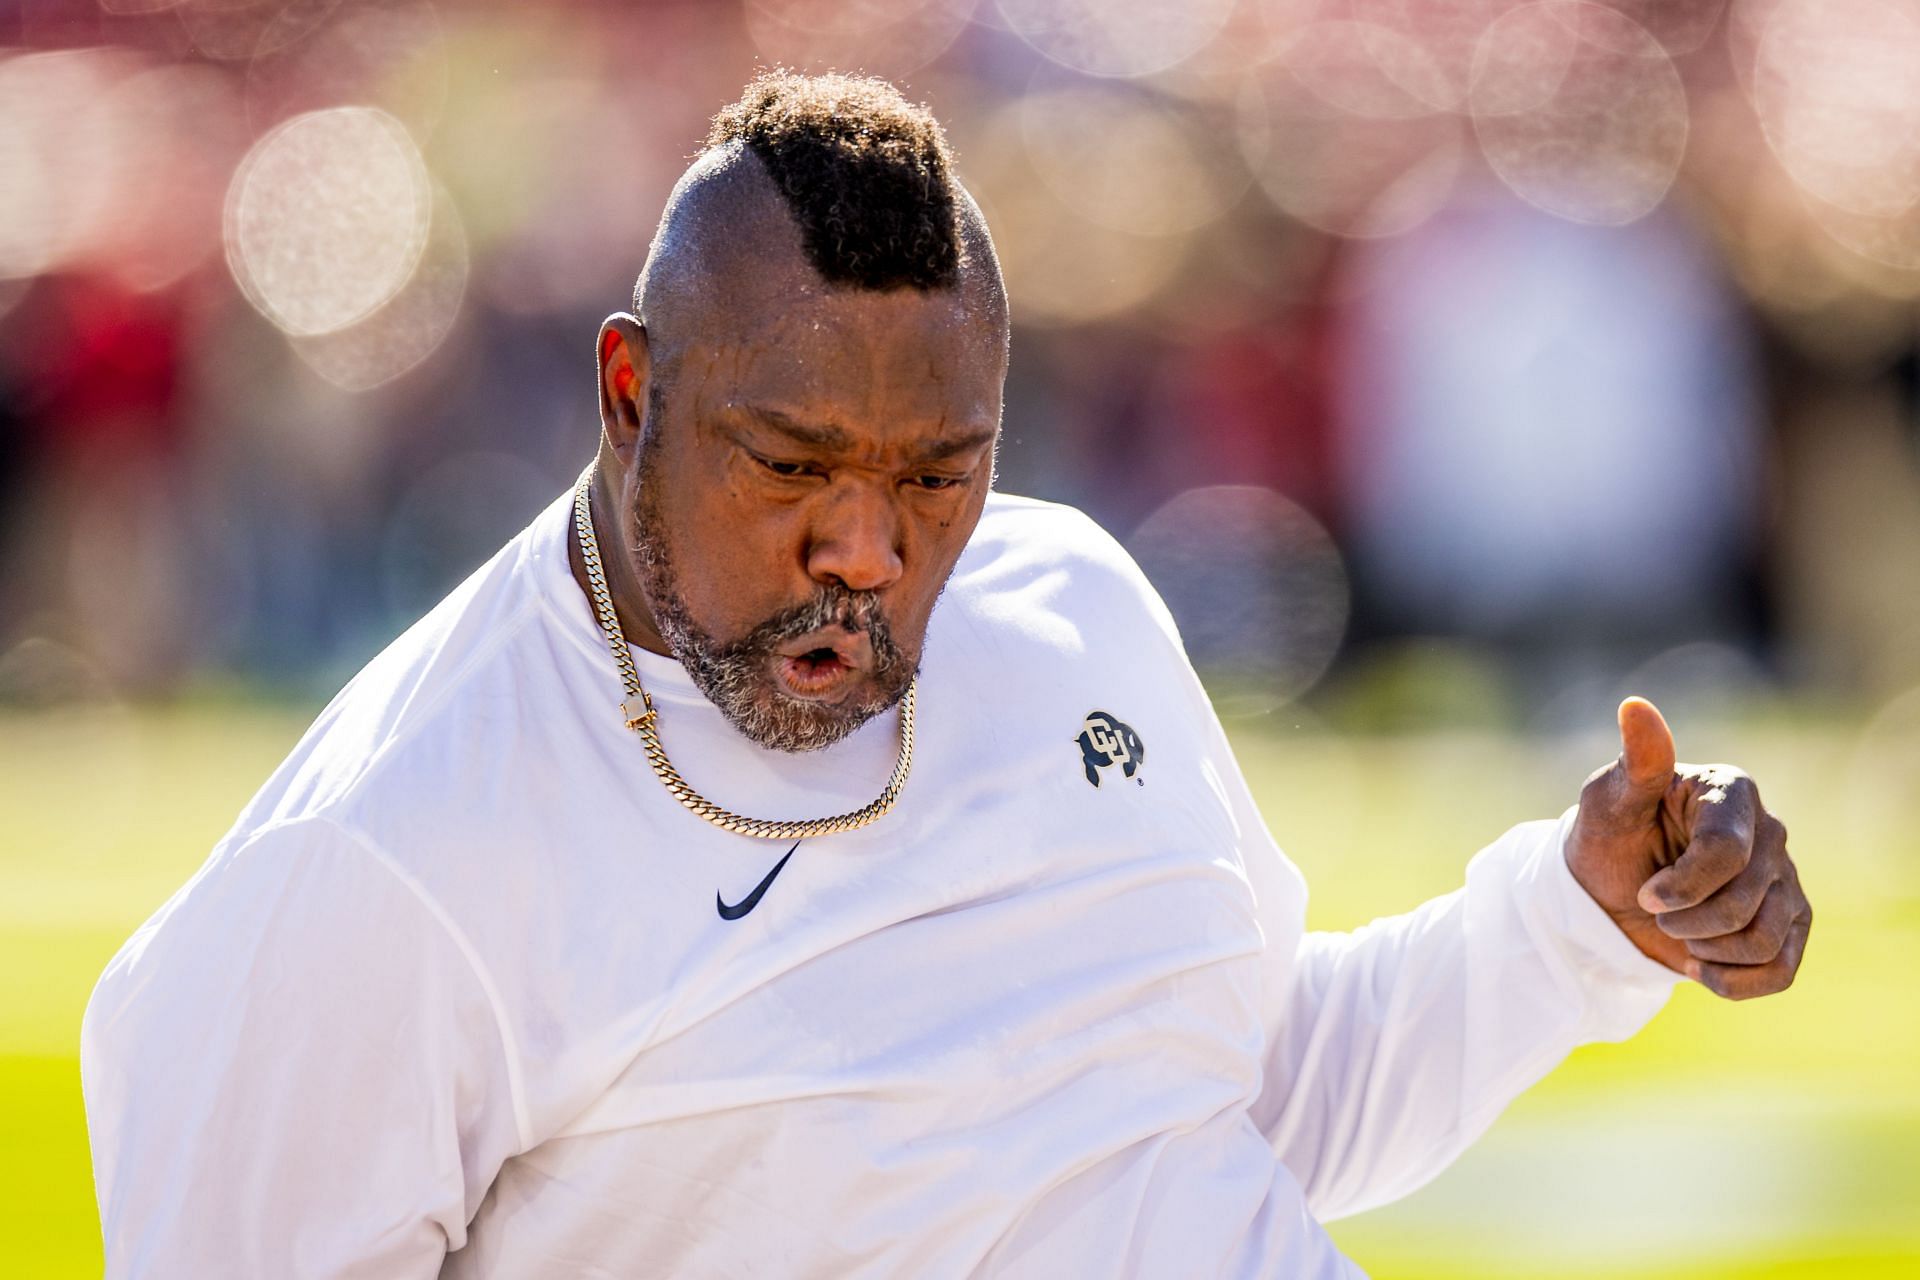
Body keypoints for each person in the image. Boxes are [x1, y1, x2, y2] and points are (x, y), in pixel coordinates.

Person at [81, 72, 1811, 1278]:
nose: (869, 549)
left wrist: (1582, 920)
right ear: (629, 397)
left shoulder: (1069, 604)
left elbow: (1234, 1095)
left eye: (936, 473)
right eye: (791, 463)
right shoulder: (386, 858)